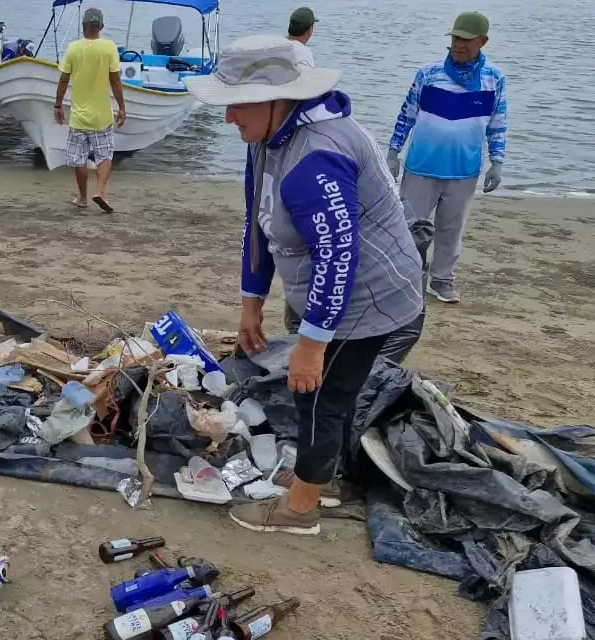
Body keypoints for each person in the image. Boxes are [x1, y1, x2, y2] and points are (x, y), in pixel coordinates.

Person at [184, 35, 424, 535]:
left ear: (279, 99)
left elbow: (339, 258)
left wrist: (312, 344)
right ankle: (321, 473)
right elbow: (258, 222)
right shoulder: (269, 140)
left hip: (369, 297)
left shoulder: (317, 157)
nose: (229, 118)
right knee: (321, 392)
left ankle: (301, 507)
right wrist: (251, 304)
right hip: (326, 289)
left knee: (318, 394)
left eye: (237, 105)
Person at [387, 11, 507, 304]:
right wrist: (393, 152)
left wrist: (497, 161)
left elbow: (497, 123)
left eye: (466, 39)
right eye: (455, 38)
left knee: (451, 230)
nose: (458, 44)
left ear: (482, 41)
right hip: (421, 167)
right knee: (408, 226)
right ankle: (405, 278)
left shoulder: (494, 79)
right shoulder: (428, 74)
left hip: (464, 170)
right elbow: (407, 115)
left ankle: (442, 280)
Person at [54, 7, 126, 213]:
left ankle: (83, 198)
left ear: (83, 26)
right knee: (105, 155)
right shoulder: (109, 47)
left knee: (79, 158)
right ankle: (100, 192)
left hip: (79, 117)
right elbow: (115, 81)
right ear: (101, 27)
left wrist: (58, 105)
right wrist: (122, 106)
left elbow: (63, 79)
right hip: (101, 116)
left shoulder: (74, 48)